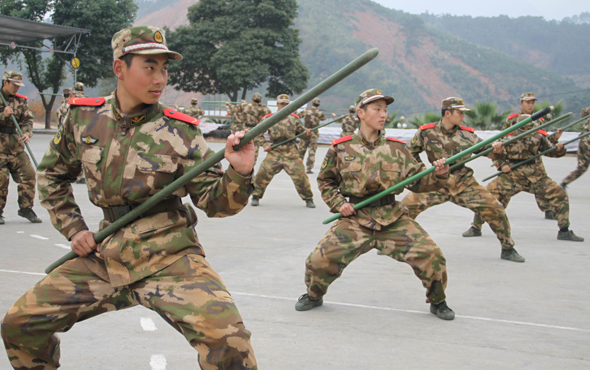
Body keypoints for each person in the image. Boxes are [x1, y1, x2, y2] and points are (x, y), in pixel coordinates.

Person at [1, 26, 258, 369]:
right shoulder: (83, 118)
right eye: (149, 67)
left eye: (164, 68)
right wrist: (75, 229)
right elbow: (53, 176)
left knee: (230, 342)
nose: (160, 78)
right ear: (119, 68)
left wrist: (238, 172)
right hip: (106, 253)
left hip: (170, 256)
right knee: (20, 325)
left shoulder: (181, 130)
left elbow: (216, 203)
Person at [296, 89, 455, 320]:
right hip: (356, 218)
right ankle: (314, 294)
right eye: (377, 109)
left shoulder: (398, 149)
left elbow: (420, 182)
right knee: (318, 261)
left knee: (433, 256)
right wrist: (339, 204)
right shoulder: (340, 148)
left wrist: (440, 174)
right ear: (361, 113)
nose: (383, 114)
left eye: (385, 109)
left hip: (392, 218)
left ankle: (438, 301)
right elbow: (326, 181)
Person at [402, 97, 524, 262]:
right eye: (459, 113)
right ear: (447, 113)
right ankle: (398, 244)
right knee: (404, 209)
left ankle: (508, 248)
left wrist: (498, 150)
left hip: (463, 183)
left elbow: (488, 151)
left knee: (496, 209)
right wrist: (422, 170)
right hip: (436, 182)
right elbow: (410, 152)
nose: (462, 116)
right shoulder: (426, 132)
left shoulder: (468, 135)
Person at [468, 113, 584, 242]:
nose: (529, 130)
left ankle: (564, 230)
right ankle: (475, 227)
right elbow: (495, 155)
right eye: (526, 128)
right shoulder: (507, 138)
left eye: (530, 128)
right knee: (487, 197)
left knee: (560, 195)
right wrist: (502, 164)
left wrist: (559, 149)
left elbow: (551, 152)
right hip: (512, 177)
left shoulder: (538, 137)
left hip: (536, 176)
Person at [498, 93, 561, 220]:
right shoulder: (512, 120)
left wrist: (555, 138)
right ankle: (497, 210)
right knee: (504, 189)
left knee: (540, 184)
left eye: (532, 102)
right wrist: (502, 161)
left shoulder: (539, 120)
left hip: (534, 159)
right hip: (515, 160)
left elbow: (544, 141)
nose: (530, 105)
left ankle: (547, 209)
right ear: (521, 103)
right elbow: (502, 138)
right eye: (528, 102)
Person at [251, 94, 315, 208]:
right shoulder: (268, 118)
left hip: (291, 151)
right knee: (262, 173)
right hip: (275, 150)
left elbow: (302, 134)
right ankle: (255, 196)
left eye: (286, 104)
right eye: (281, 104)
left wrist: (307, 134)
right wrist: (264, 145)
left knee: (300, 175)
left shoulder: (294, 119)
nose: (284, 106)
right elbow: (256, 133)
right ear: (277, 104)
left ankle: (308, 198)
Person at [0, 70, 42, 225]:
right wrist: (2, 115)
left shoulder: (20, 101)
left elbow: (27, 120)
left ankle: (25, 208)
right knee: (1, 181)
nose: (17, 88)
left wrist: (26, 133)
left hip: (16, 147)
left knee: (29, 175)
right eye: (14, 84)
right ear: (5, 82)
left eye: (19, 85)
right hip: (0, 148)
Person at [560, 106, 590, 189]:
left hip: (584, 139)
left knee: (582, 167)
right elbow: (584, 113)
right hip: (587, 140)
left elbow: (583, 113)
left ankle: (564, 183)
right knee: (582, 167)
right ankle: (564, 183)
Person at [298, 98, 326, 174]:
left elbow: (298, 116)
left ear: (312, 103)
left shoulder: (306, 110)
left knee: (301, 149)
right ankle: (309, 168)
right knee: (312, 151)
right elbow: (323, 119)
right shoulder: (320, 113)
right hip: (314, 132)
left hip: (305, 131)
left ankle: (298, 166)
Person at [242, 93, 271, 165]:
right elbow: (269, 113)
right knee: (254, 151)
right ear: (260, 101)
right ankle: (251, 167)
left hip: (246, 130)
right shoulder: (263, 108)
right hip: (256, 130)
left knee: (243, 149)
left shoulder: (246, 106)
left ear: (252, 99)